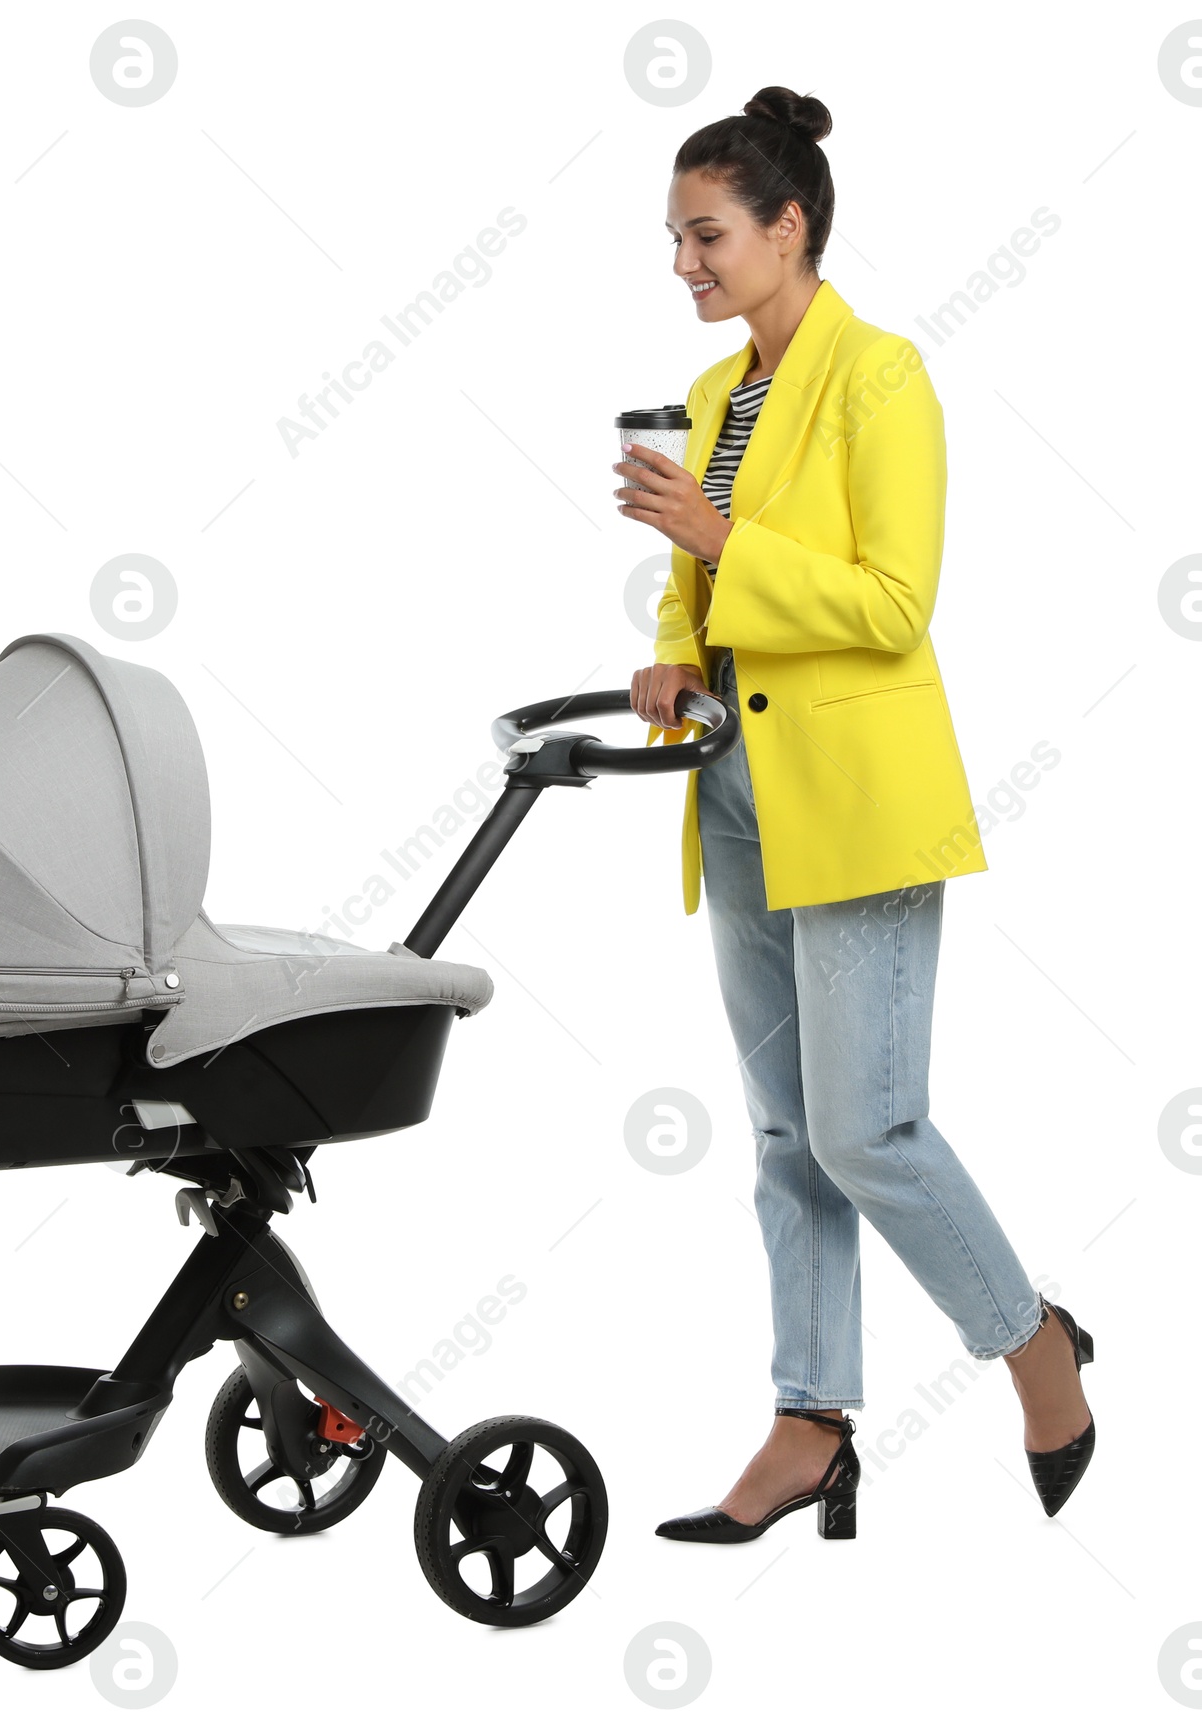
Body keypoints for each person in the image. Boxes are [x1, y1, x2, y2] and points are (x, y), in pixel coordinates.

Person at [616, 85, 1095, 1543]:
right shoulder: (712, 399)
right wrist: (677, 640)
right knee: (783, 1134)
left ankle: (1036, 1348)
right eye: (675, 240)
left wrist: (719, 539)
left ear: (788, 225)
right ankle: (808, 1423)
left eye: (707, 237)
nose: (684, 265)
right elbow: (709, 589)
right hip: (737, 789)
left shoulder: (883, 378)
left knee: (869, 1128)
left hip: (860, 801)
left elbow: (895, 604)